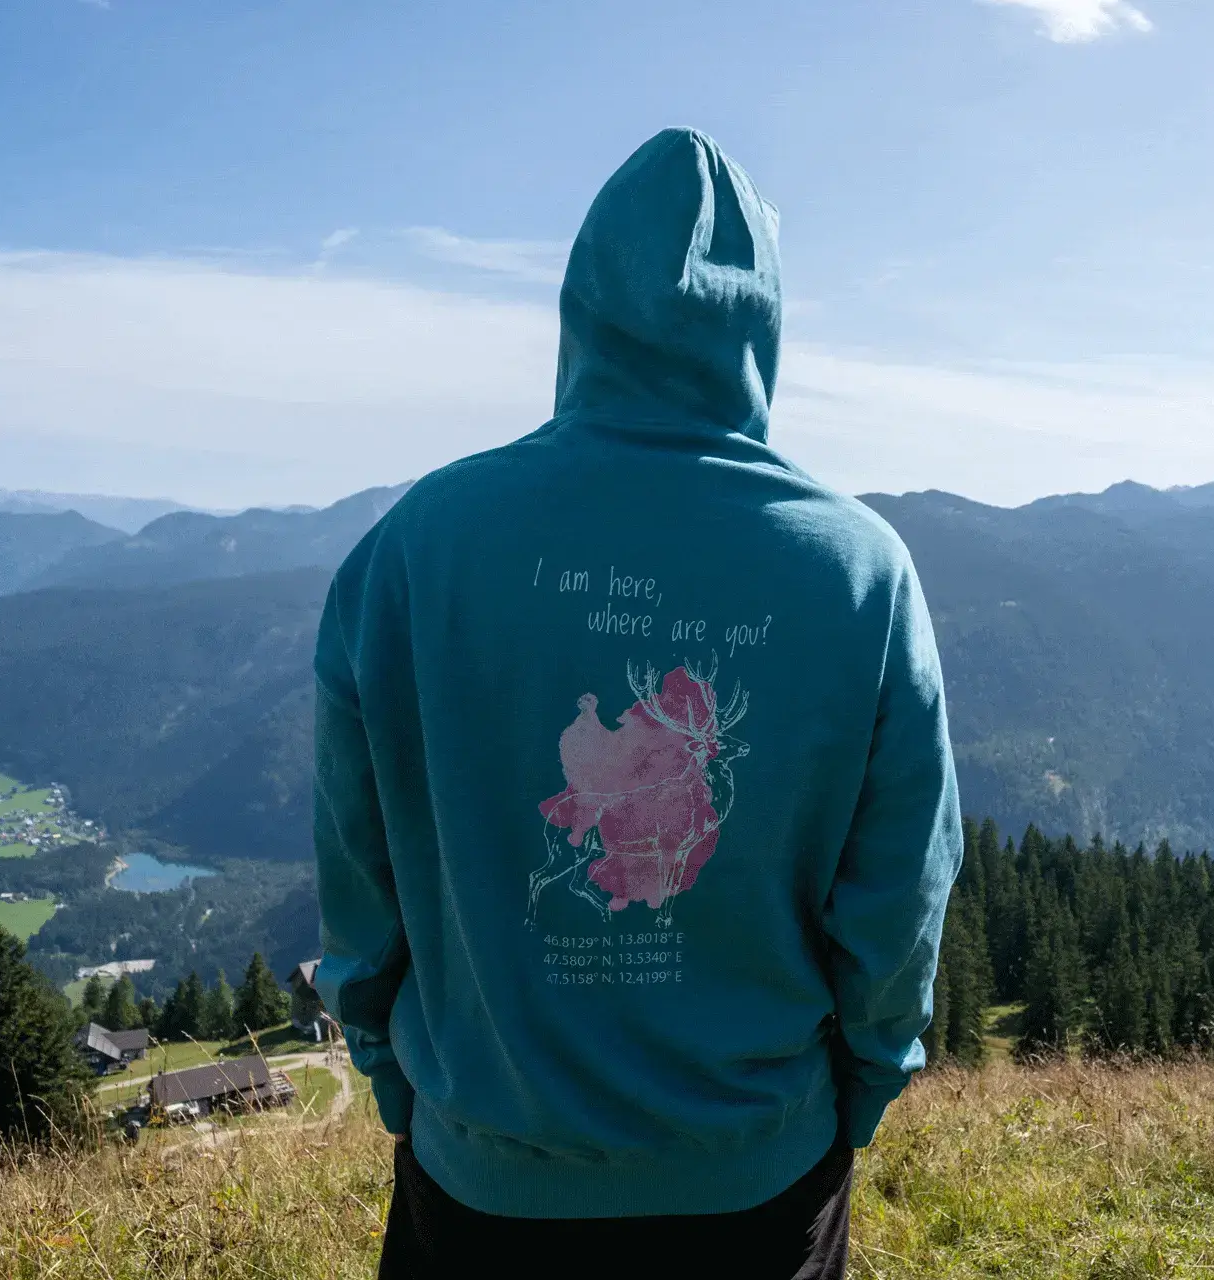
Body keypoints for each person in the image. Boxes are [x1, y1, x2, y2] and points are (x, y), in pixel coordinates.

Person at [312, 127, 963, 1278]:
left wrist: (393, 1070)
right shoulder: (862, 571)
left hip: (482, 1185)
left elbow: (358, 871)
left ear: (581, 309)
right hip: (757, 1187)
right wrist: (861, 1089)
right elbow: (900, 896)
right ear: (764, 326)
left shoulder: (414, 548)